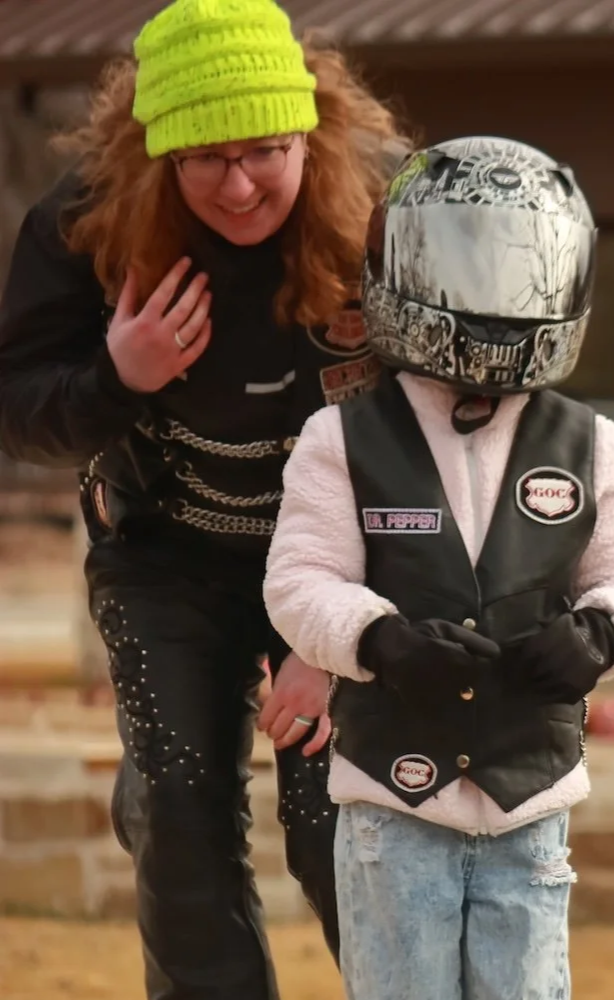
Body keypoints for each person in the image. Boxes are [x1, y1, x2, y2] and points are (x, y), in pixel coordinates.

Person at [0, 1, 410, 997]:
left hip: (343, 559)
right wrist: (115, 377)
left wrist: (332, 638)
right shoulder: (85, 221)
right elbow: (17, 412)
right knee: (181, 812)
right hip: (164, 551)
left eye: (266, 152)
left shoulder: (394, 212)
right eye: (204, 160)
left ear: (310, 129)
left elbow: (443, 439)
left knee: (333, 821)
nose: (237, 186)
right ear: (157, 157)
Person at [263, 136, 614, 999]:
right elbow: (298, 581)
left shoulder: (593, 445)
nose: (497, 297)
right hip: (393, 803)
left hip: (531, 806)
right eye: (469, 269)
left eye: (522, 269)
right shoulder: (341, 437)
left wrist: (602, 633)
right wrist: (379, 641)